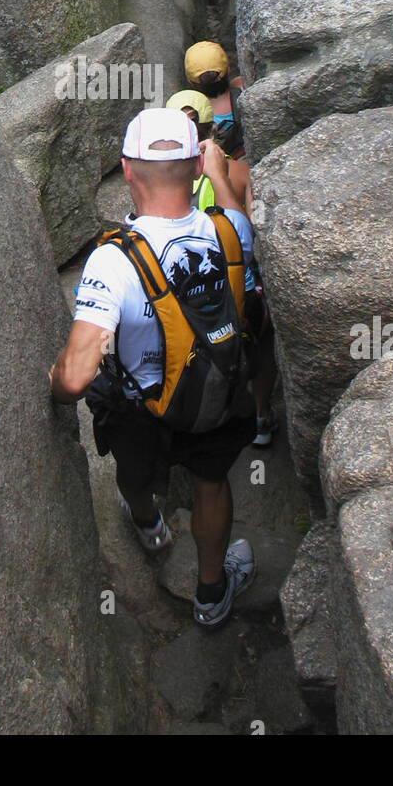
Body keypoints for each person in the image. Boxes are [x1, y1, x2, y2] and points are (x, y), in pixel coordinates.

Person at [49, 108, 257, 629]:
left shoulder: (112, 261)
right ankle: (212, 594)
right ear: (193, 167)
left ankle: (148, 523)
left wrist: (52, 384)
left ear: (126, 170)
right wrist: (218, 176)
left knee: (134, 471)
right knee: (212, 481)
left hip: (141, 407)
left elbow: (75, 378)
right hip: (216, 392)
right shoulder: (229, 230)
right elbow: (242, 221)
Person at [182, 46, 279, 448]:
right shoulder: (239, 170)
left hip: (199, 286)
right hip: (245, 281)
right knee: (261, 341)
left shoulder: (172, 184)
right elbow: (251, 227)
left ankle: (209, 408)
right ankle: (260, 416)